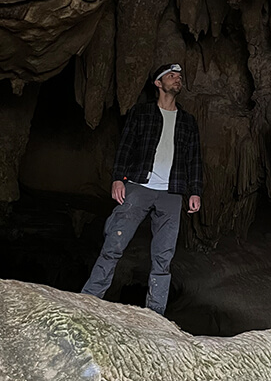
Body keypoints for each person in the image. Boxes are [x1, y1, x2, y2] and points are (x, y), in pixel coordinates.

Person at [81, 63, 202, 315]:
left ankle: (155, 314)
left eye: (179, 76)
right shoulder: (142, 113)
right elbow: (126, 146)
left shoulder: (188, 121)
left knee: (164, 256)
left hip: (172, 192)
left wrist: (195, 191)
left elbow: (194, 158)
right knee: (114, 243)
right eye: (171, 76)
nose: (177, 79)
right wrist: (118, 178)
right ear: (158, 84)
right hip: (138, 186)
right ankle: (90, 298)